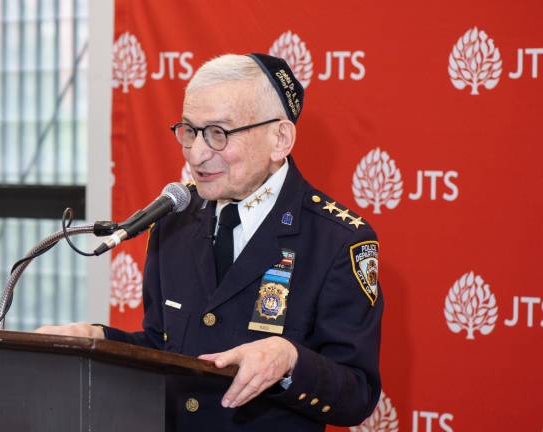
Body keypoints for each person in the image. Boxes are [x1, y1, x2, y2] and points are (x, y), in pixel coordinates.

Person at [36, 53, 383, 431]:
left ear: (279, 138)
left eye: (218, 133)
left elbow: (356, 395)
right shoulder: (174, 220)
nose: (197, 154)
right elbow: (164, 346)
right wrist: (97, 340)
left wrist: (289, 359)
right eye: (190, 131)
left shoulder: (337, 239)